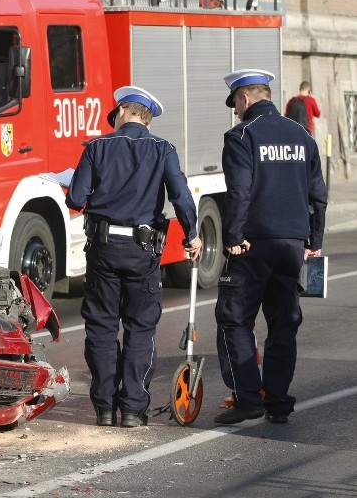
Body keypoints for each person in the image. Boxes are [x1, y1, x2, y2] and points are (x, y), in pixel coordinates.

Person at [66, 86, 202, 428]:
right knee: (140, 328)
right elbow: (181, 197)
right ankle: (132, 409)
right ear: (147, 120)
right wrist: (193, 234)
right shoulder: (162, 149)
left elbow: (76, 198)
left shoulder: (97, 147)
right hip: (143, 252)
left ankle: (105, 409)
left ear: (123, 111)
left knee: (101, 327)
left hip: (103, 249)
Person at [213, 69, 327, 425]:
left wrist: (232, 236)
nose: (235, 111)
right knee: (283, 324)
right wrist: (315, 241)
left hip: (252, 245)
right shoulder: (302, 134)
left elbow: (239, 191)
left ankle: (247, 398)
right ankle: (277, 402)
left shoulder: (242, 135)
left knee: (234, 319)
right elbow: (318, 195)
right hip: (292, 245)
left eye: (236, 105)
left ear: (245, 99)